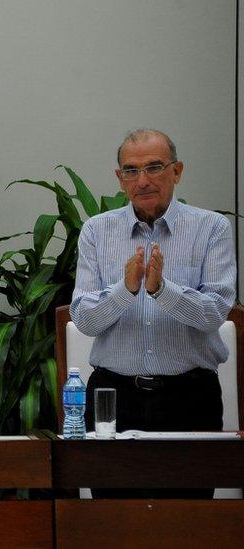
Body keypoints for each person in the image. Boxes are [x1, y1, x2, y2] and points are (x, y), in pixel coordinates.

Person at [70, 128, 235, 498]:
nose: (142, 181)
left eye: (154, 167)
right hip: (113, 397)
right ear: (119, 178)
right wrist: (126, 290)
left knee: (185, 523)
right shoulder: (97, 231)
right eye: (130, 170)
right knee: (113, 522)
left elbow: (215, 313)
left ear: (177, 171)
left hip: (189, 397)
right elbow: (83, 318)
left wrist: (162, 290)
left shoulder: (211, 228)